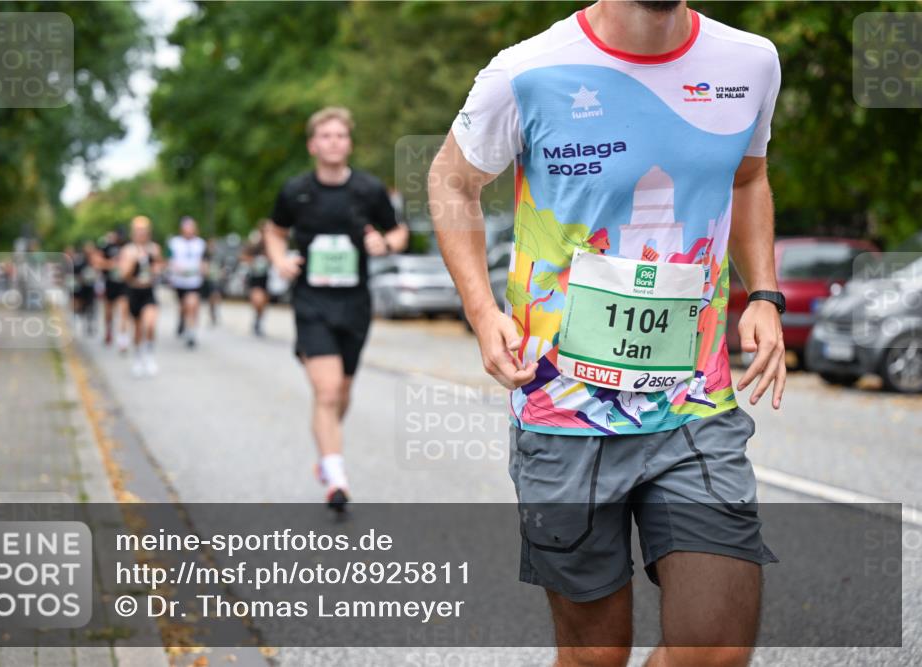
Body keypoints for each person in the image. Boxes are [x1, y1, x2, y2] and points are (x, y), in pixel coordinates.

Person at [429, 2, 785, 665]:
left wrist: (762, 290)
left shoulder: (750, 62)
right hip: (563, 414)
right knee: (597, 655)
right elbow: (451, 179)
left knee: (717, 646)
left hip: (693, 406)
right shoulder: (526, 72)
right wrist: (483, 313)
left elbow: (750, 175)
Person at [265, 106, 409, 511]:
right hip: (312, 301)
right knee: (326, 390)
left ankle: (326, 454)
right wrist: (279, 260)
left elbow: (398, 230)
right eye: (325, 136)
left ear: (349, 143)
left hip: (355, 303)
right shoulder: (295, 191)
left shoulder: (367, 189)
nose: (333, 142)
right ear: (313, 145)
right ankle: (337, 476)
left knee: (342, 391)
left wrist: (386, 244)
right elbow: (274, 232)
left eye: (340, 136)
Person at [119, 216, 163, 377]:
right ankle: (138, 358)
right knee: (137, 329)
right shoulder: (128, 250)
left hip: (148, 291)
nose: (141, 234)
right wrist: (134, 261)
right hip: (134, 291)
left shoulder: (154, 249)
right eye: (138, 231)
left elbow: (159, 266)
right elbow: (124, 275)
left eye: (144, 231)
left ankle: (150, 355)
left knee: (150, 324)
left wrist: (155, 270)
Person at [168, 216, 207, 348]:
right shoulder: (175, 242)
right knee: (184, 306)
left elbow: (204, 260)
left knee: (192, 304)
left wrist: (203, 271)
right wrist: (175, 269)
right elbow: (170, 259)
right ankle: (182, 321)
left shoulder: (200, 243)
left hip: (194, 281)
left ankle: (191, 333)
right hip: (180, 281)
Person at [101, 228, 130, 351]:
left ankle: (122, 338)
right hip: (110, 283)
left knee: (123, 311)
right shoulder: (107, 247)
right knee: (109, 311)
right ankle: (108, 330)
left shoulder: (128, 248)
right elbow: (97, 261)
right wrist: (111, 264)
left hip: (123, 285)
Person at [242, 227, 271, 336]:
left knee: (263, 303)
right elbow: (243, 256)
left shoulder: (270, 246)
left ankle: (259, 320)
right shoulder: (254, 245)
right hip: (255, 278)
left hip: (267, 279)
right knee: (257, 300)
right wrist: (253, 261)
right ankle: (257, 319)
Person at [72, 240, 100, 336]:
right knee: (80, 305)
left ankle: (90, 325)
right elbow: (74, 274)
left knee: (91, 306)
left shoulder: (94, 261)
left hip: (91, 287)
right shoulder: (79, 261)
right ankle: (78, 320)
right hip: (81, 287)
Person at [203, 238, 224, 326]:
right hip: (209, 279)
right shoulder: (206, 255)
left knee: (217, 295)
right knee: (211, 296)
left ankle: (216, 309)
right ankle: (212, 312)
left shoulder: (219, 255)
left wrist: (222, 273)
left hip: (217, 278)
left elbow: (223, 266)